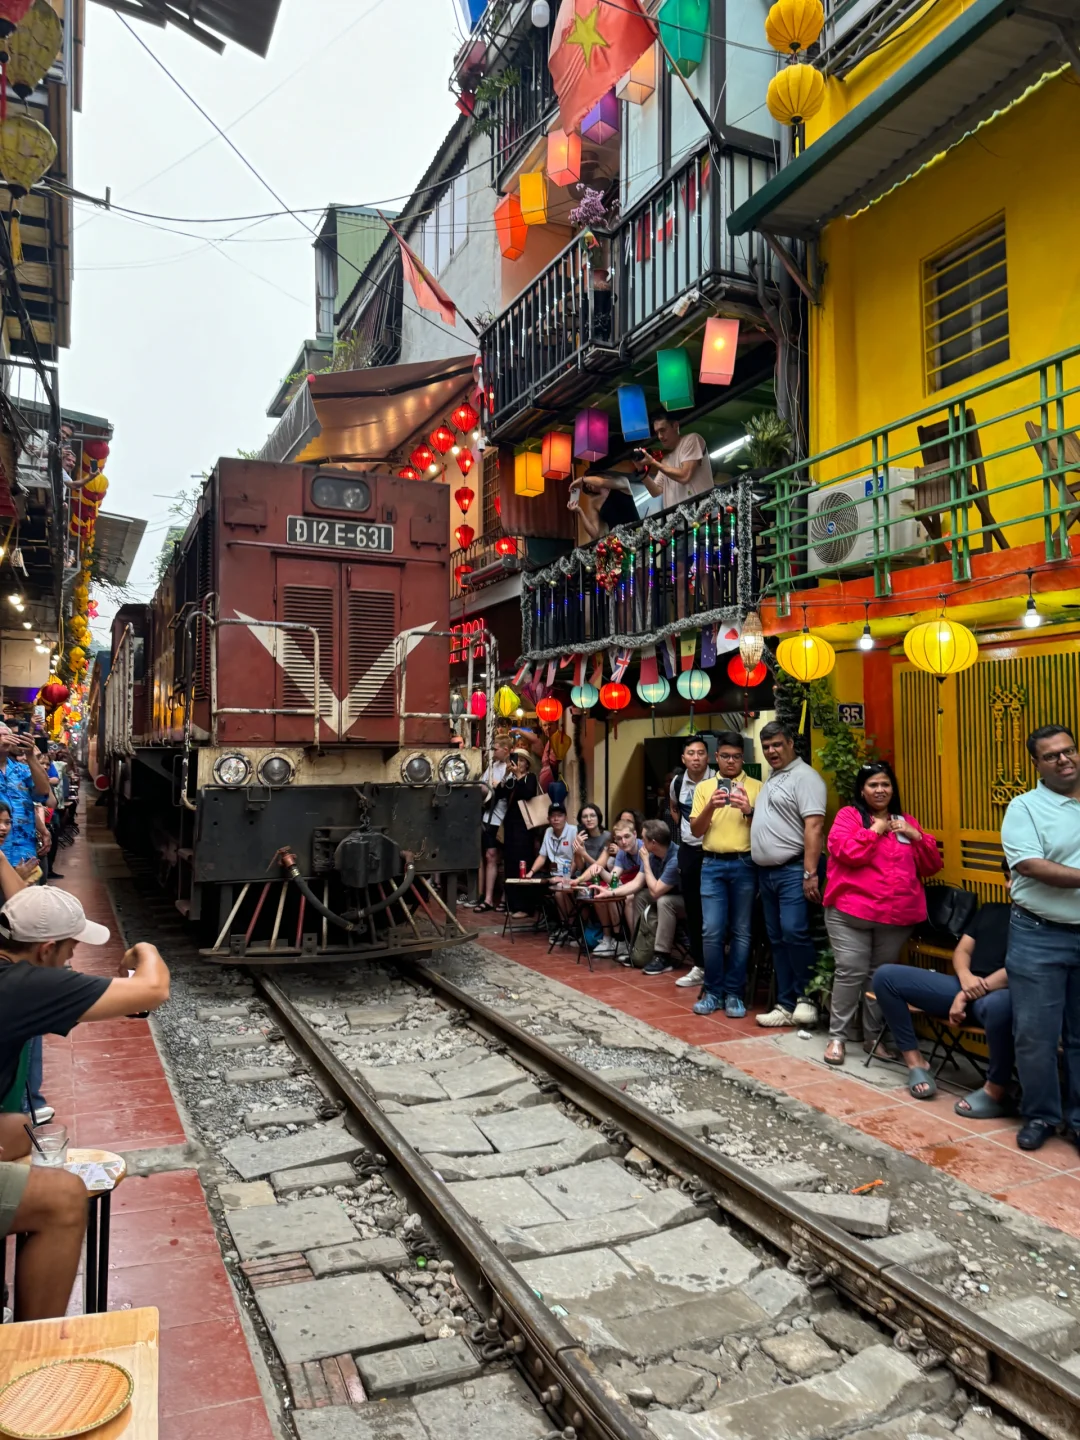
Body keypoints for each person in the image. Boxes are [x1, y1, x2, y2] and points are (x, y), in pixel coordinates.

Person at [821, 761, 943, 1066]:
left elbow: (930, 866)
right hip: (850, 913)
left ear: (893, 789)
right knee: (851, 970)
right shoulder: (850, 817)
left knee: (879, 978)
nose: (880, 790)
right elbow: (846, 852)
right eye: (873, 785)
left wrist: (917, 836)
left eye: (885, 784)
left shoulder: (905, 821)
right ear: (862, 790)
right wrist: (874, 831)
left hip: (895, 916)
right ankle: (838, 1036)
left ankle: (873, 1038)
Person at [874, 862, 1014, 1111]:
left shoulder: (1040, 923)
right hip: (963, 984)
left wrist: (967, 993)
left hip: (997, 995)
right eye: (1006, 877)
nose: (1009, 885)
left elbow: (1019, 968)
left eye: (1015, 878)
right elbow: (963, 950)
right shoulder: (992, 910)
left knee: (1001, 1005)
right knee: (886, 977)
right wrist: (965, 978)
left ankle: (997, 1088)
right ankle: (916, 1063)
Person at [1001, 724, 1080, 1152]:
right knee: (1035, 1034)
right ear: (1037, 764)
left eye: (1069, 751)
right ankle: (1042, 1115)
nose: (1064, 759)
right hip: (1039, 935)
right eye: (1052, 756)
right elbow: (1029, 865)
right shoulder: (1024, 807)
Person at [751, 720, 827, 1028]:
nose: (771, 751)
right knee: (778, 938)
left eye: (777, 745)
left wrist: (810, 873)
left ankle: (807, 998)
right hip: (767, 874)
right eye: (766, 746)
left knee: (795, 933)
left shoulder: (805, 777)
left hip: (794, 869)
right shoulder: (773, 777)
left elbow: (815, 826)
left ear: (791, 744)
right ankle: (785, 1004)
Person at [689, 731, 762, 1017]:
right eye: (725, 756)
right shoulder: (704, 787)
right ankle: (712, 991)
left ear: (743, 758)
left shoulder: (757, 786)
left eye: (736, 757)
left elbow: (766, 830)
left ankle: (734, 993)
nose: (731, 761)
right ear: (716, 757)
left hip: (745, 864)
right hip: (712, 864)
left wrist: (748, 810)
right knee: (712, 930)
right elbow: (696, 831)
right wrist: (711, 805)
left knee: (742, 931)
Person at [669, 737, 715, 989]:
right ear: (683, 758)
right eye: (691, 753)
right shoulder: (677, 783)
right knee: (694, 910)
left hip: (715, 851)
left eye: (700, 753)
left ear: (708, 757)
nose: (696, 757)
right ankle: (700, 964)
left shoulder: (718, 781)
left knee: (716, 912)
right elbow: (674, 807)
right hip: (689, 852)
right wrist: (684, 829)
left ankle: (718, 964)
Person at [631, 819, 685, 976]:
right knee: (641, 896)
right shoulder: (653, 854)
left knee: (663, 901)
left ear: (653, 843)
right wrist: (610, 893)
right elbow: (637, 884)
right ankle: (639, 948)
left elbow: (656, 892)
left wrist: (646, 863)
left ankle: (663, 956)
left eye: (643, 838)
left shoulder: (675, 858)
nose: (641, 841)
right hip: (665, 894)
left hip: (686, 902)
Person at [581, 824, 642, 957]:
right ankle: (616, 939)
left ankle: (634, 944)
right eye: (619, 839)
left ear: (635, 834)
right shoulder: (622, 852)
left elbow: (641, 881)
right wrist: (601, 870)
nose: (623, 842)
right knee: (607, 890)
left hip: (649, 885)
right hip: (633, 883)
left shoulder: (643, 849)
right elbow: (613, 878)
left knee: (629, 897)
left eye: (627, 837)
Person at [635, 412, 715, 512]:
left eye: (663, 430)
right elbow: (655, 491)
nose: (660, 436)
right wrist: (641, 469)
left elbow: (685, 476)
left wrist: (653, 462)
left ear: (675, 426)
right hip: (676, 524)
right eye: (657, 432)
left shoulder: (692, 439)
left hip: (700, 517)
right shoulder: (666, 460)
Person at [498, 749, 540, 918]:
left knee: (523, 863)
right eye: (516, 760)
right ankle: (512, 903)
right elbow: (500, 794)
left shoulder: (530, 778)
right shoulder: (511, 779)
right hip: (511, 826)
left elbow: (528, 793)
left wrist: (519, 777)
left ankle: (525, 906)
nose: (518, 763)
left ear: (527, 764)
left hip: (525, 828)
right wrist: (506, 777)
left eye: (522, 760)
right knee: (510, 863)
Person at [475, 736, 511, 913]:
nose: (493, 752)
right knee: (490, 855)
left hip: (504, 818)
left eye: (496, 749)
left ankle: (504, 897)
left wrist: (497, 785)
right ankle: (488, 898)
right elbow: (483, 787)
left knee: (503, 859)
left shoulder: (512, 768)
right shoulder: (493, 767)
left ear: (506, 749)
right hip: (490, 817)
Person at [568, 469, 639, 540]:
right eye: (585, 484)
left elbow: (602, 482)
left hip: (637, 532)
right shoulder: (594, 502)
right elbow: (595, 534)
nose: (586, 484)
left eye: (589, 478)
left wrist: (582, 479)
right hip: (618, 541)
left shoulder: (623, 482)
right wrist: (579, 511)